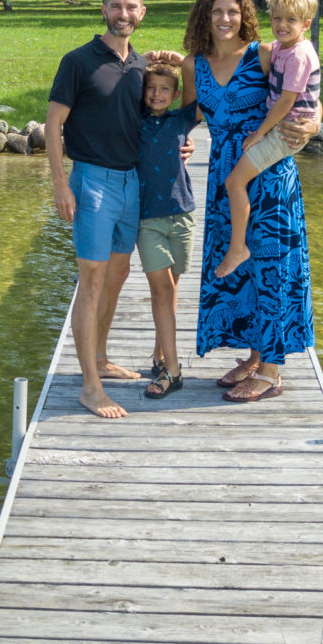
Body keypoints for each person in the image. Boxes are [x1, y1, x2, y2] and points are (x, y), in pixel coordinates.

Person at [45, 0, 193, 419]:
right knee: (91, 280)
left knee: (117, 274)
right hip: (91, 183)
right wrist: (59, 183)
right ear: (104, 9)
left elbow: (158, 118)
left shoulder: (142, 67)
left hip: (132, 185)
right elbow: (53, 126)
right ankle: (90, 387)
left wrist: (180, 145)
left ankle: (102, 357)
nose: (123, 13)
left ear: (142, 12)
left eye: (131, 7)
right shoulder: (78, 62)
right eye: (115, 6)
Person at [180, 0, 320, 402]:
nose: (225, 19)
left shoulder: (263, 55)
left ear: (245, 17)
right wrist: (176, 141)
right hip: (226, 175)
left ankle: (272, 370)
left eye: (233, 12)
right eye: (217, 11)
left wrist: (314, 124)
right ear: (205, 15)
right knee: (240, 270)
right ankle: (256, 355)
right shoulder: (193, 65)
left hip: (269, 171)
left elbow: (304, 93)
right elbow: (188, 114)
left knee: (273, 266)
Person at [216, 0, 321, 278]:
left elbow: (287, 100)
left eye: (291, 20)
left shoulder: (299, 55)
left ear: (306, 24)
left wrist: (260, 133)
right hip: (283, 126)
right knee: (239, 182)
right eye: (277, 19)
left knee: (235, 182)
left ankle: (238, 248)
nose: (282, 25)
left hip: (286, 132)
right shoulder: (281, 49)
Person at [136, 63, 201, 399]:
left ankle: (160, 353)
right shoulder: (134, 121)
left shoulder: (182, 120)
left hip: (182, 215)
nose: (157, 94)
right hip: (148, 220)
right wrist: (145, 59)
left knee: (173, 286)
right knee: (161, 289)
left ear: (174, 95)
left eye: (165, 89)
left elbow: (198, 88)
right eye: (151, 88)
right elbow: (127, 82)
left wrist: (180, 59)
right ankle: (173, 372)